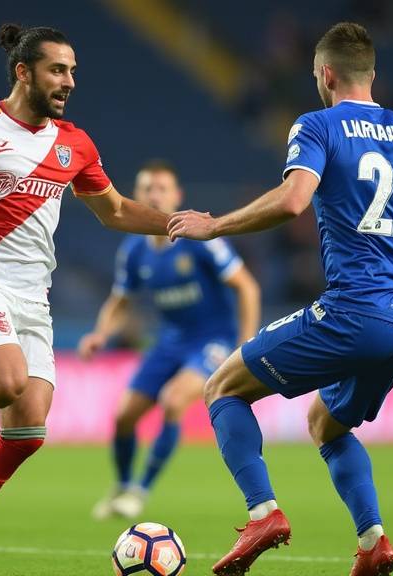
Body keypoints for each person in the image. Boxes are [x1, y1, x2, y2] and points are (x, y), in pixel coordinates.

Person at [168, 22, 393, 576]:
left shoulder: (318, 125)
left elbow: (291, 202)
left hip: (356, 310)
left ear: (325, 75)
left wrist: (214, 226)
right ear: (372, 75)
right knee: (327, 423)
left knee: (223, 387)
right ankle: (373, 540)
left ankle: (263, 513)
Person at [0, 23, 171, 576]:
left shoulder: (75, 144)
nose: (68, 81)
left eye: (72, 72)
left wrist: (181, 223)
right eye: (57, 70)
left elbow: (114, 211)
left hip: (31, 296)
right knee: (7, 383)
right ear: (24, 72)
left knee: (26, 435)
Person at [80, 160, 260, 520]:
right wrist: (101, 333)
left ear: (177, 196)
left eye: (162, 188)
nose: (155, 195)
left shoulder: (201, 241)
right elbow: (121, 301)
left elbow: (247, 287)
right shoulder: (134, 251)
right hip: (169, 342)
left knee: (174, 400)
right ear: (136, 196)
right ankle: (122, 485)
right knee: (123, 417)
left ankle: (140, 491)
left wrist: (245, 344)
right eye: (148, 189)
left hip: (212, 340)